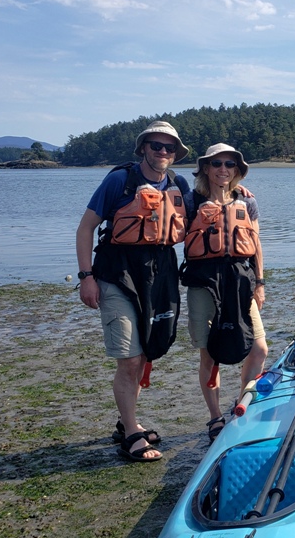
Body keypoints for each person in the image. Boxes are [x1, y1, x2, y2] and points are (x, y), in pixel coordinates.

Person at [76, 120, 191, 462]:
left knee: (144, 353)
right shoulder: (119, 181)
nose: (163, 152)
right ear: (143, 148)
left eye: (169, 148)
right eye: (156, 146)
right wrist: (86, 277)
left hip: (159, 273)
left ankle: (127, 421)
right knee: (129, 358)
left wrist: (237, 192)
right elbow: (85, 228)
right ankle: (131, 434)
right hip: (117, 273)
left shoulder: (178, 183)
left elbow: (203, 212)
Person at [181, 143, 268, 442]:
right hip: (204, 283)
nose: (223, 169)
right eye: (216, 163)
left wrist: (260, 282)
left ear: (237, 171)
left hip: (241, 281)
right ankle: (215, 418)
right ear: (205, 167)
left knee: (259, 348)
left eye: (229, 165)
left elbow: (256, 244)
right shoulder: (192, 201)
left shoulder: (247, 202)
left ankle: (244, 401)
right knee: (209, 355)